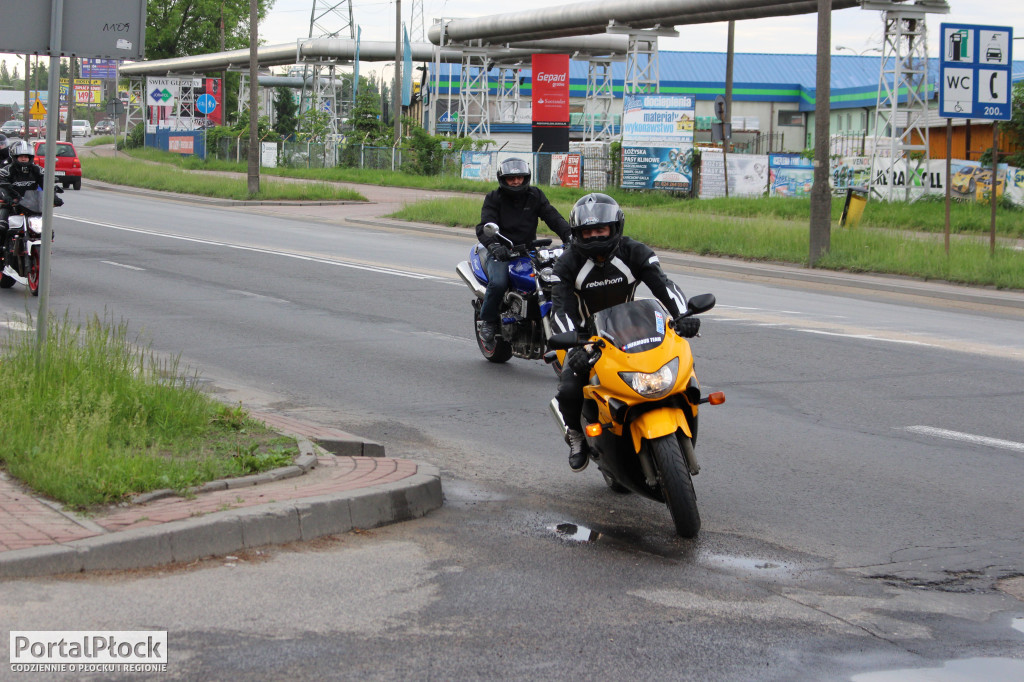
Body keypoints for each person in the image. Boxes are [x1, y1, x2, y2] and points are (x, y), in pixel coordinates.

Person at [550, 193, 700, 472]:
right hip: (586, 338)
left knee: (678, 366)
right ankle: (576, 435)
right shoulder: (567, 264)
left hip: (631, 328)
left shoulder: (634, 252)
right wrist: (574, 349)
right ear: (577, 234)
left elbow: (663, 285)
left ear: (615, 228)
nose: (594, 236)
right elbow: (560, 310)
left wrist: (682, 316)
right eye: (587, 232)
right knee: (570, 388)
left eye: (601, 230)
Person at [476, 157, 571, 344]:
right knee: (498, 283)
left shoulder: (535, 195)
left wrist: (570, 236)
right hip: (502, 252)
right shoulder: (494, 198)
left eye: (519, 177)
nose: (516, 182)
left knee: (554, 279)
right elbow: (484, 226)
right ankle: (487, 321)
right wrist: (494, 246)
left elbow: (552, 217)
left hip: (529, 251)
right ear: (503, 179)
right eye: (512, 178)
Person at [0, 140, 60, 268]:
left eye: (26, 156)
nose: (24, 159)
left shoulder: (37, 170)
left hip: (31, 206)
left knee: (47, 229)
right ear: (15, 157)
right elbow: (2, 186)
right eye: (21, 156)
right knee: (2, 226)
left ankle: (41, 252)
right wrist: (7, 198)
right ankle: (2, 253)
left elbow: (47, 184)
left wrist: (54, 197)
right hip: (11, 206)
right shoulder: (6, 171)